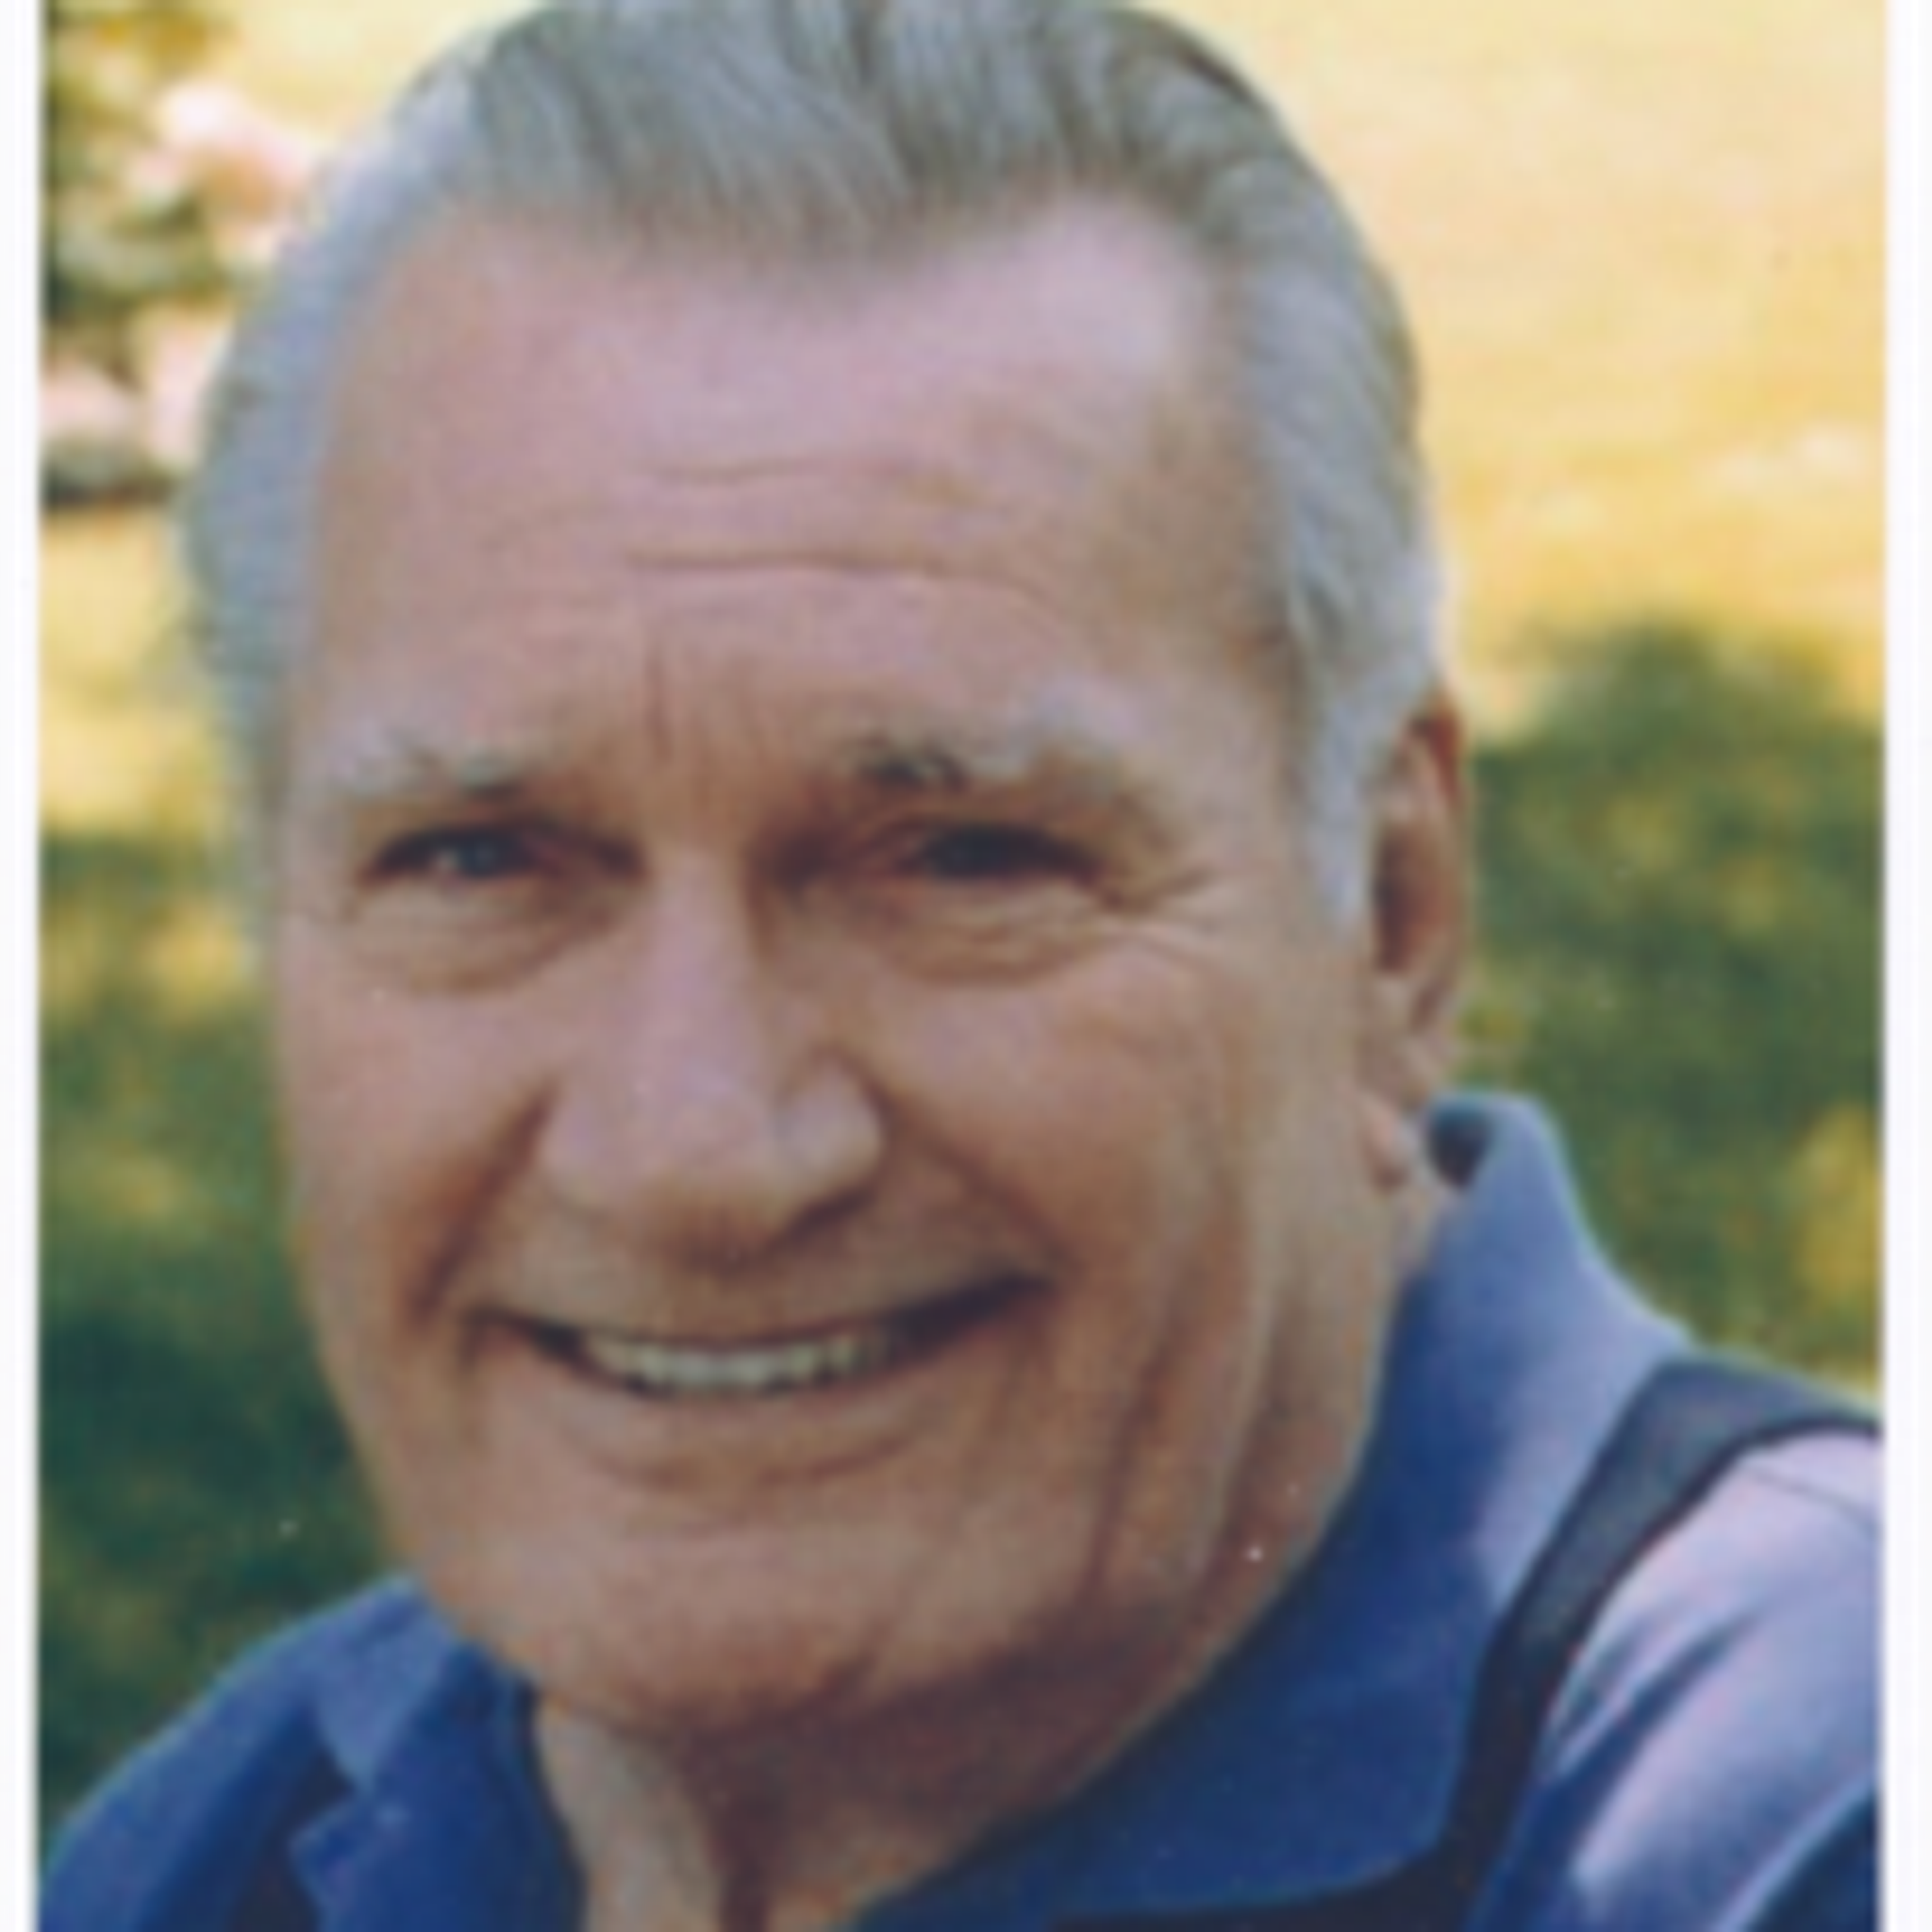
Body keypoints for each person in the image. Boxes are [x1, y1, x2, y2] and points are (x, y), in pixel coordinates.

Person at [42, 0, 1876, 1926]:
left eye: (963, 859)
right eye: (481, 860)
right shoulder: (227, 1848)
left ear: (1391, 916)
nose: (695, 1152)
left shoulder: (1809, 1816)